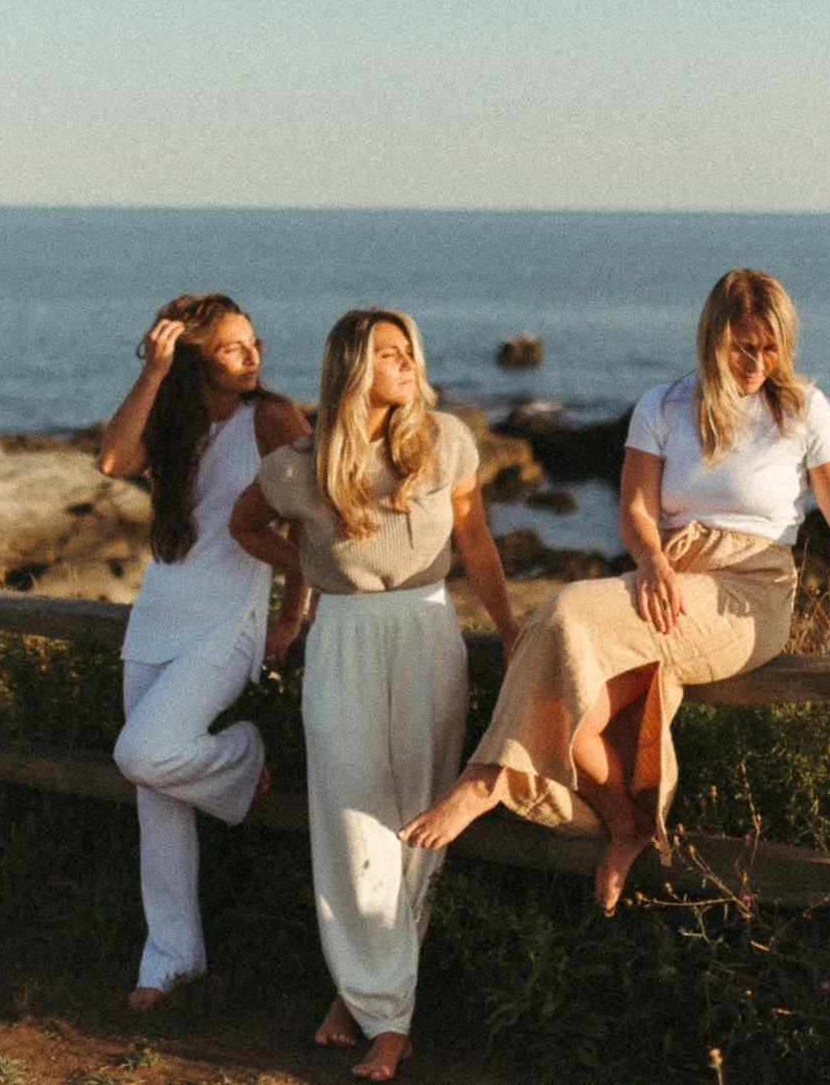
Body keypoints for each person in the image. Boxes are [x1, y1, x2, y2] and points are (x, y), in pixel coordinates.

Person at [400, 269, 830, 914]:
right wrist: (655, 562)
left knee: (565, 610)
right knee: (567, 705)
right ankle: (630, 828)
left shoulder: (802, 411)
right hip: (669, 574)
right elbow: (635, 509)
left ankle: (486, 778)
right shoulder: (662, 406)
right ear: (712, 339)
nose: (756, 363)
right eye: (743, 347)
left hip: (749, 592)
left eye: (770, 348)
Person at [229, 308, 519, 1084]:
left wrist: (512, 630)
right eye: (389, 353)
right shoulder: (298, 465)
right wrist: (307, 565)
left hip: (427, 628)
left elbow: (477, 543)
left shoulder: (447, 439)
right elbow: (243, 523)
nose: (407, 364)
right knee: (353, 817)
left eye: (410, 352)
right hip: (344, 636)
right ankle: (380, 1010)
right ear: (353, 366)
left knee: (421, 822)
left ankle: (372, 1004)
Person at [97, 293, 311, 1012]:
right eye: (231, 346)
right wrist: (154, 370)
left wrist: (293, 613)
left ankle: (243, 755)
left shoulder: (273, 417)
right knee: (155, 797)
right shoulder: (174, 415)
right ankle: (170, 957)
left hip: (229, 619)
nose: (253, 355)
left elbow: (315, 515)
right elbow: (111, 458)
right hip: (159, 613)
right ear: (194, 358)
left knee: (142, 752)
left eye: (254, 341)